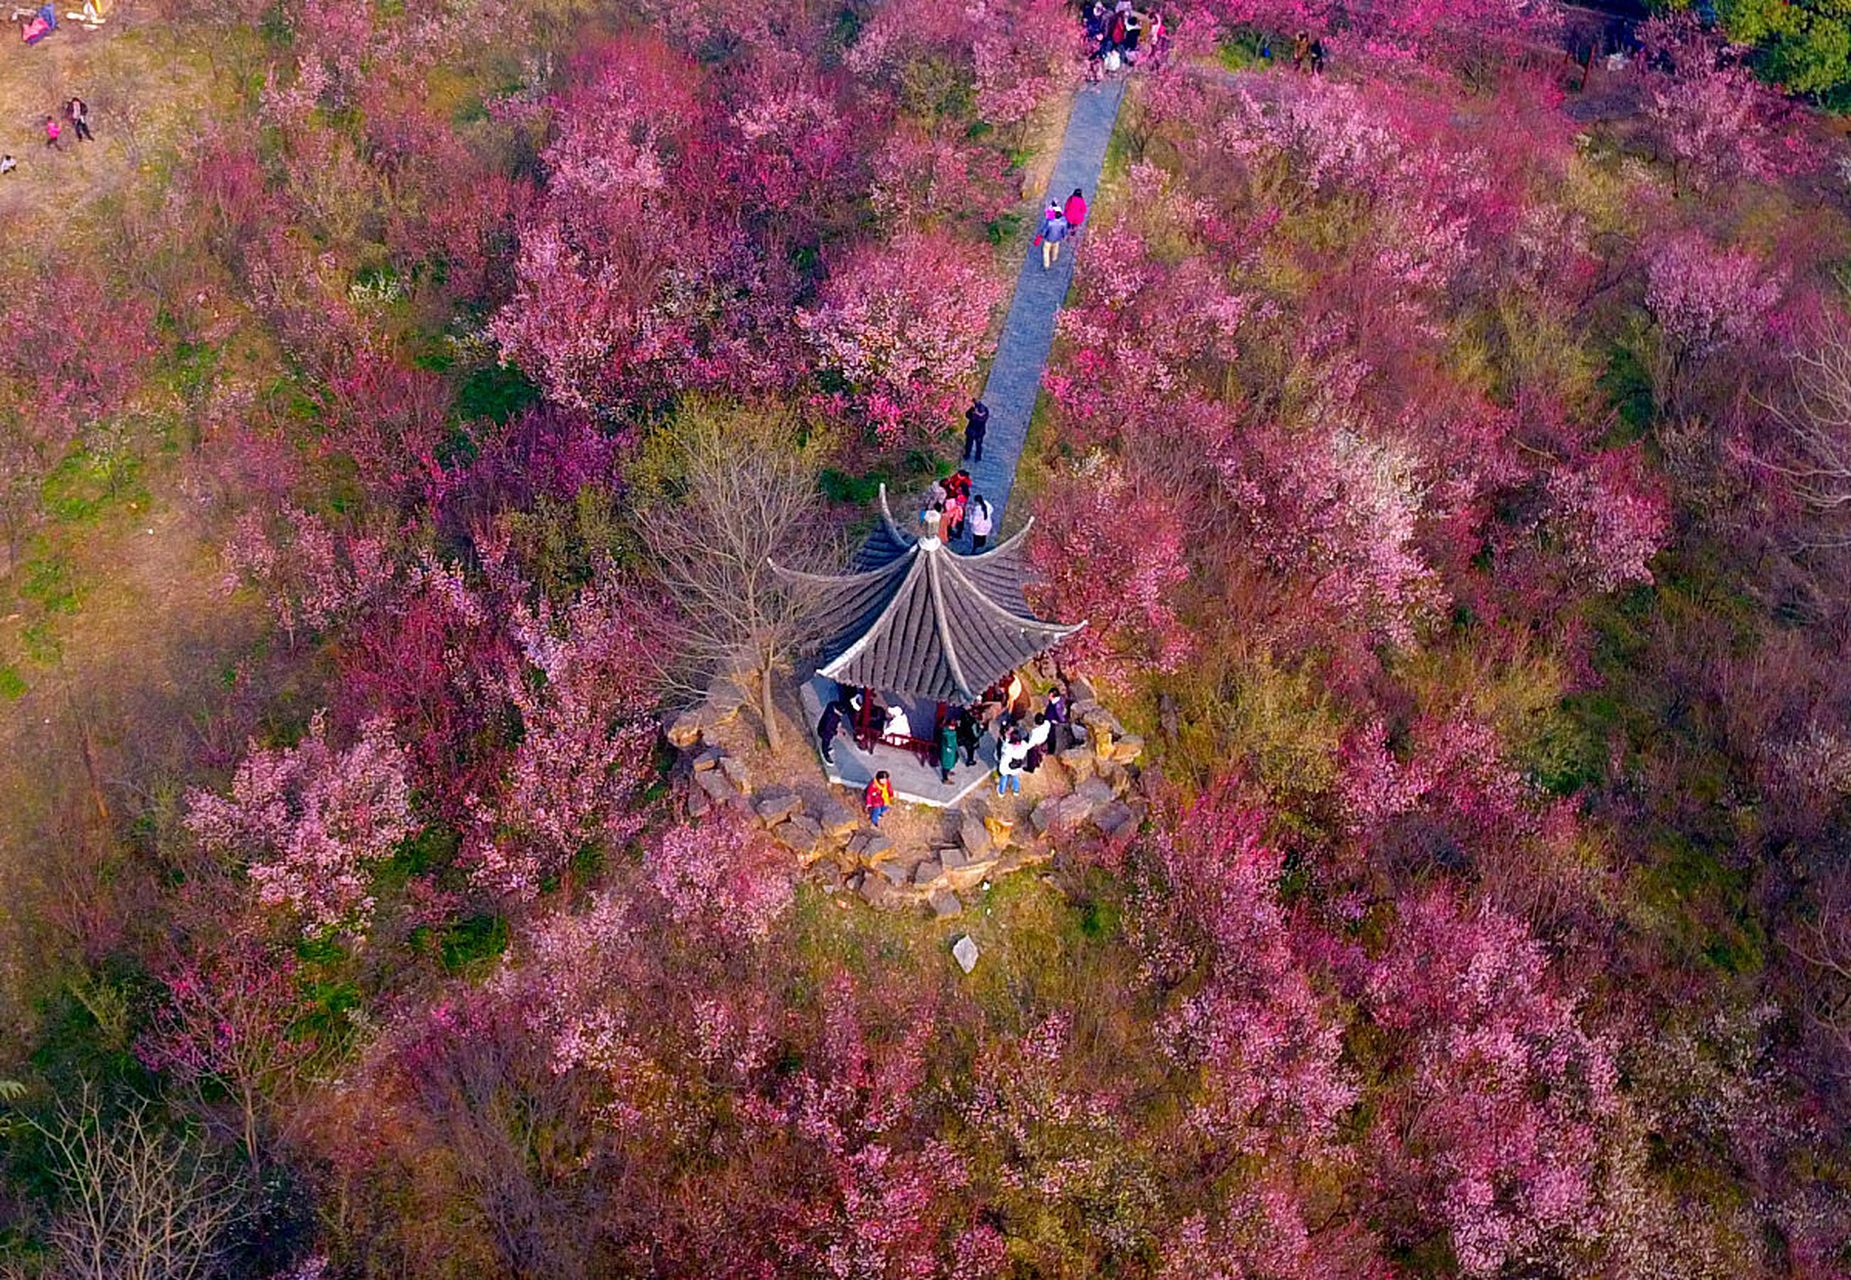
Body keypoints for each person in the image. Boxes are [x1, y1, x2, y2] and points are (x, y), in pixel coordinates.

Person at [1034, 201, 1068, 270]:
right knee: (1056, 248)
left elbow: (1045, 230)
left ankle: (1046, 264)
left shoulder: (1050, 223)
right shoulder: (1064, 222)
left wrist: (1042, 235)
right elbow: (1064, 231)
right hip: (1057, 238)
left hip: (1048, 238)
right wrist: (1064, 236)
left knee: (1046, 251)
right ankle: (1054, 258)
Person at [996, 731, 1028, 796]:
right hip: (1017, 765)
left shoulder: (1008, 747)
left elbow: (1002, 749)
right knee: (1015, 777)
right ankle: (1016, 790)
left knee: (1004, 777)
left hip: (1006, 765)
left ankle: (1001, 791)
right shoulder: (1024, 745)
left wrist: (1006, 739)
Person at [816, 696, 845, 766]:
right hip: (824, 731)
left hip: (825, 727)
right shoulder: (831, 718)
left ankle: (827, 748)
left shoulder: (831, 706)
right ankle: (825, 754)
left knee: (830, 738)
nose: (841, 715)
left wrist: (839, 724)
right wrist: (836, 732)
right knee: (826, 739)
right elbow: (828, 729)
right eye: (840, 713)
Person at [1045, 684, 1072, 751]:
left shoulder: (1057, 707)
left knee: (1052, 738)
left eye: (1050, 695)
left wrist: (1055, 721)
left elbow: (1061, 718)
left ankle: (1051, 750)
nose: (1048, 697)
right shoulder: (1059, 700)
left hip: (1053, 725)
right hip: (1050, 720)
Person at [937, 719, 959, 785]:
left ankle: (947, 771)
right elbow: (949, 743)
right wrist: (950, 748)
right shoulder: (947, 733)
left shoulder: (949, 732)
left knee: (952, 760)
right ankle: (945, 779)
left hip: (950, 751)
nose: (953, 727)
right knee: (946, 765)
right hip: (947, 752)